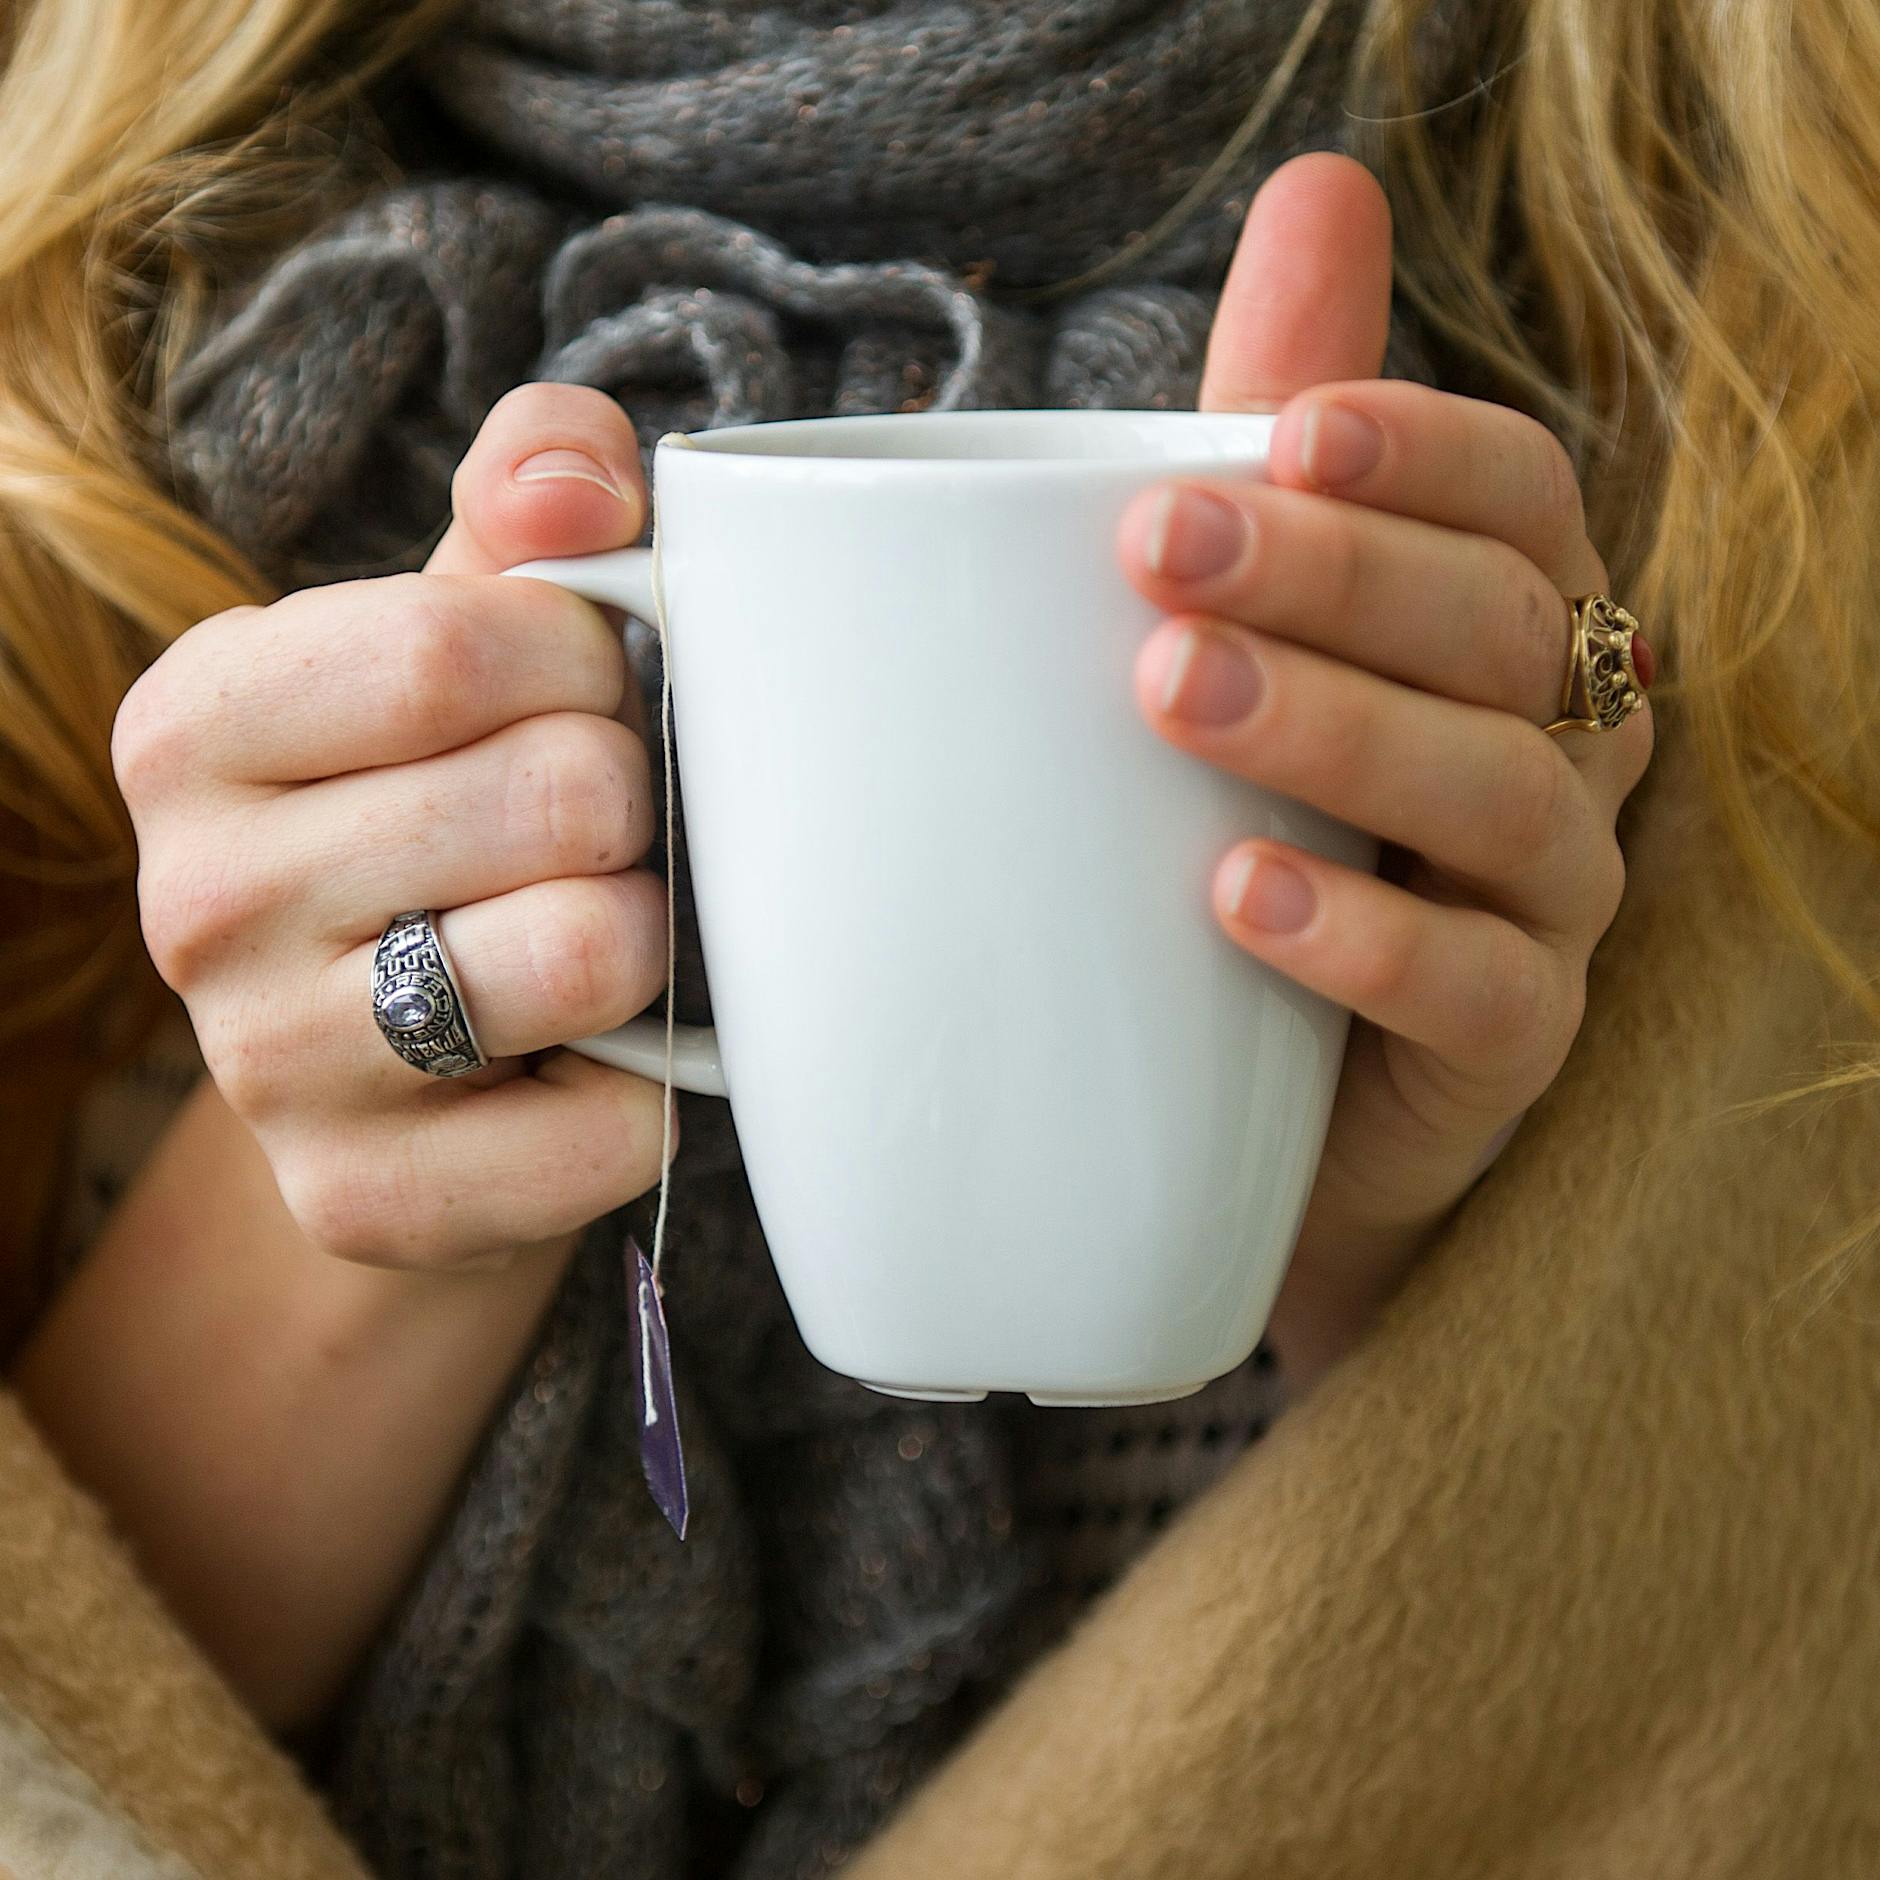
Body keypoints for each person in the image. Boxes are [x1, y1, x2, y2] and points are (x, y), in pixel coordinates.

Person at [0, 1, 1875, 1876]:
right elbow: (73, 1757)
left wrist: (1413, 1208)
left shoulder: (1799, 276)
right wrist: (466, 1042)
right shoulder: (70, 279)